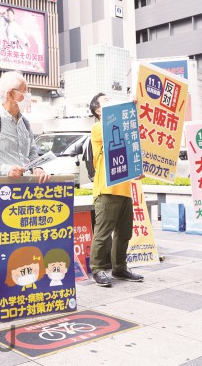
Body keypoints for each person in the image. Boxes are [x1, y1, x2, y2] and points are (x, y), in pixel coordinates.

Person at [0, 71, 50, 315]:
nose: (28, 95)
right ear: (10, 94)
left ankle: (13, 287)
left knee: (17, 240)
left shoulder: (25, 123)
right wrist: (6, 170)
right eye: (24, 91)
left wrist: (37, 166)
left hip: (21, 192)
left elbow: (32, 153)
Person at [87, 93, 143, 287]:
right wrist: (127, 106)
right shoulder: (97, 128)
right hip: (106, 190)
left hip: (125, 190)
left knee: (124, 233)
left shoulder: (123, 130)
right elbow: (113, 128)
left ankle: (119, 267)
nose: (110, 102)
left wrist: (137, 170)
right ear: (98, 110)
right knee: (102, 233)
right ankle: (97, 268)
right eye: (106, 101)